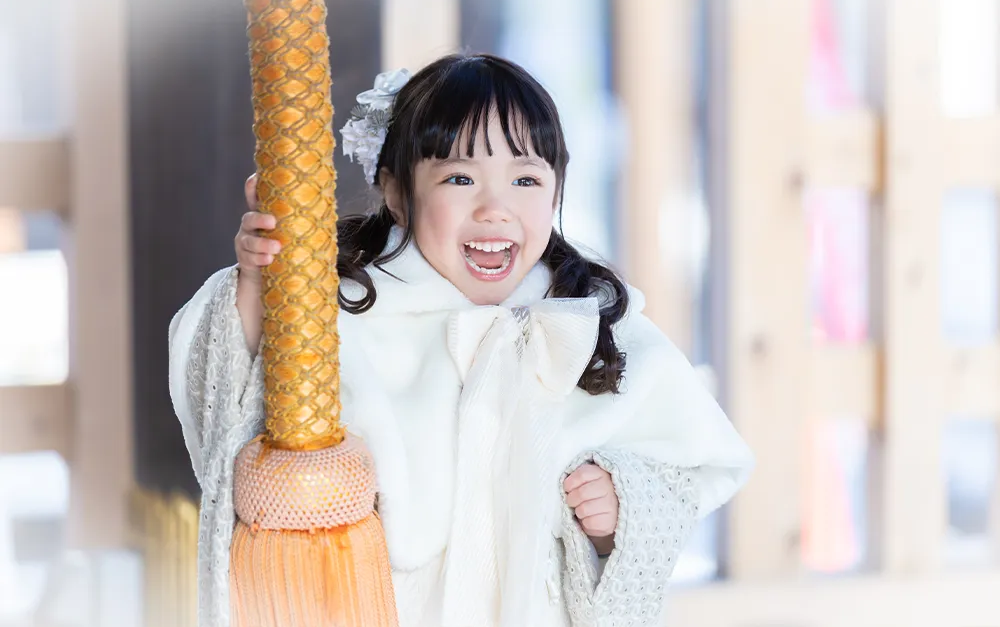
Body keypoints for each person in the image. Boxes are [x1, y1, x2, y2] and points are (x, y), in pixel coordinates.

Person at [169, 53, 754, 627]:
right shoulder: (342, 314)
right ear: (397, 194)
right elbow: (232, 398)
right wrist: (259, 280)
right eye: (459, 177)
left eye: (526, 179)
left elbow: (696, 465)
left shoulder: (587, 326)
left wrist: (617, 511)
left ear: (556, 193)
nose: (495, 208)